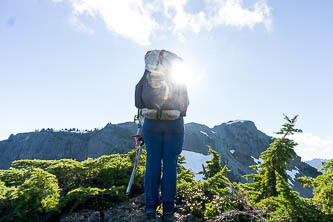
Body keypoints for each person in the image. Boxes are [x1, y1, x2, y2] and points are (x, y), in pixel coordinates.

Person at [135, 50, 189, 221]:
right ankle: (168, 209)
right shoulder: (177, 76)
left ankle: (150, 208)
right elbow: (185, 103)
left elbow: (137, 100)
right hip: (174, 123)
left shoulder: (148, 73)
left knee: (152, 161)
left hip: (151, 122)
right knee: (170, 163)